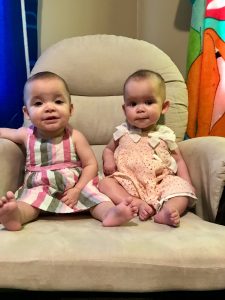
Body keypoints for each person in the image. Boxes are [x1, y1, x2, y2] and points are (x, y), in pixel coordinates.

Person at [0, 71, 138, 231]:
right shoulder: (25, 134)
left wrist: (77, 189)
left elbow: (90, 165)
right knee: (29, 200)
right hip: (41, 187)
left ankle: (110, 213)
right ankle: (15, 215)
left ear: (70, 109)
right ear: (27, 113)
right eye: (38, 104)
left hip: (75, 186)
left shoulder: (75, 136)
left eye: (58, 101)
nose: (49, 108)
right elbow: (3, 132)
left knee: (96, 197)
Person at [98, 69, 197, 227]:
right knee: (104, 184)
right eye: (133, 104)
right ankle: (135, 203)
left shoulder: (165, 135)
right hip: (127, 181)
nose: (140, 109)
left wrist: (187, 181)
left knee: (183, 190)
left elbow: (179, 159)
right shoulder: (123, 132)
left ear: (164, 107)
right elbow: (108, 149)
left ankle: (169, 210)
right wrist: (108, 160)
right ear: (125, 109)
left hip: (159, 182)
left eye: (149, 102)